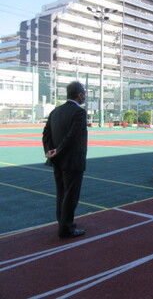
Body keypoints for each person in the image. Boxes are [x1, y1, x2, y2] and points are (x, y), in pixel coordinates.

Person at [42, 81, 87, 239]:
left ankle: (63, 223)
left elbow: (46, 134)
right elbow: (72, 136)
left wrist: (50, 151)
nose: (85, 96)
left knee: (61, 193)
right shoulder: (79, 112)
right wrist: (59, 150)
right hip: (73, 160)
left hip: (57, 161)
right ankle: (66, 229)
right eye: (84, 93)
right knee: (71, 195)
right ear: (79, 94)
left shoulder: (55, 112)